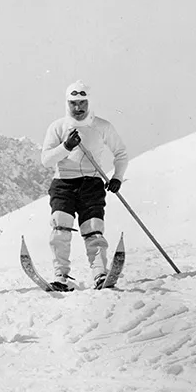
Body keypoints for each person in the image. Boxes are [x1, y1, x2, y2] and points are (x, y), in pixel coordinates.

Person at [40, 80, 128, 291]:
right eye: (73, 103)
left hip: (91, 182)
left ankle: (100, 274)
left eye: (82, 102)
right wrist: (66, 146)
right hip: (63, 182)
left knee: (93, 229)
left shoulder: (102, 126)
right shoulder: (58, 127)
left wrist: (117, 177)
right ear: (67, 103)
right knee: (60, 227)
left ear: (89, 102)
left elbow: (121, 153)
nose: (78, 108)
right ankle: (62, 276)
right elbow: (46, 160)